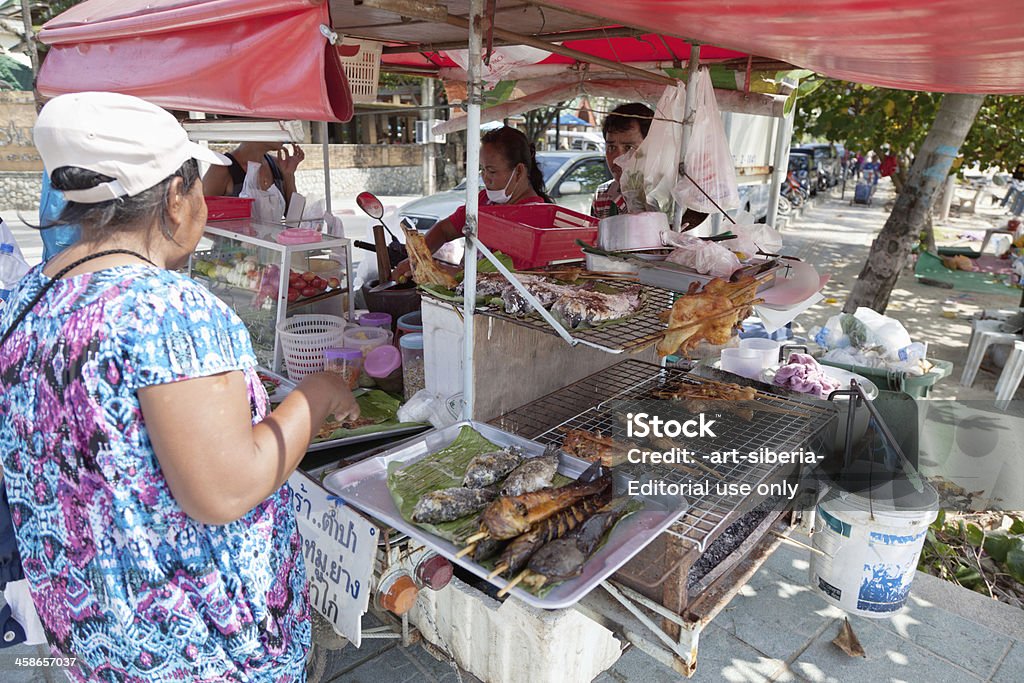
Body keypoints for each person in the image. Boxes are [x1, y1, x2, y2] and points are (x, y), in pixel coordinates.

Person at [0, 91, 358, 681]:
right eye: (197, 184)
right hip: (200, 649)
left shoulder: (26, 299)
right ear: (174, 196)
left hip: (94, 635)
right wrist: (315, 396)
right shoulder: (166, 310)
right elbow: (224, 489)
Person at [391, 125, 550, 280]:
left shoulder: (537, 219)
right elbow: (445, 230)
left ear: (519, 171)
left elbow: (513, 281)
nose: (485, 178)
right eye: (483, 169)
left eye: (492, 171)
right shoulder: (484, 201)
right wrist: (417, 258)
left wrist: (444, 270)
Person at [592, 102, 707, 228]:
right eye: (611, 147)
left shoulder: (674, 196)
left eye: (629, 147)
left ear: (652, 149)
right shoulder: (603, 195)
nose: (617, 159)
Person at [202, 140, 305, 212]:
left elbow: (292, 218)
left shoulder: (277, 164)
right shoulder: (222, 168)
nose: (284, 130)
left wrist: (289, 175)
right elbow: (198, 216)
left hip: (272, 243)